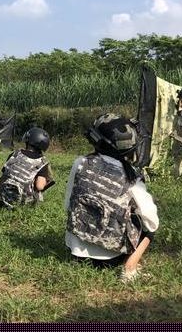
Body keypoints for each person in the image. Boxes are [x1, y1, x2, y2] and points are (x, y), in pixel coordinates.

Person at [65, 113, 159, 282]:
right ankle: (130, 268)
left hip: (75, 250)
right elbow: (152, 221)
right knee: (149, 228)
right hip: (112, 257)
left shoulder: (80, 163)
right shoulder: (132, 179)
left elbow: (68, 205)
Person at [0, 126, 54, 209]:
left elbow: (4, 170)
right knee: (38, 189)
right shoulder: (42, 163)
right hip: (22, 201)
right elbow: (39, 186)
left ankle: (0, 201)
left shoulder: (15, 154)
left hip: (4, 193)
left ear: (28, 140)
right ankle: (25, 207)